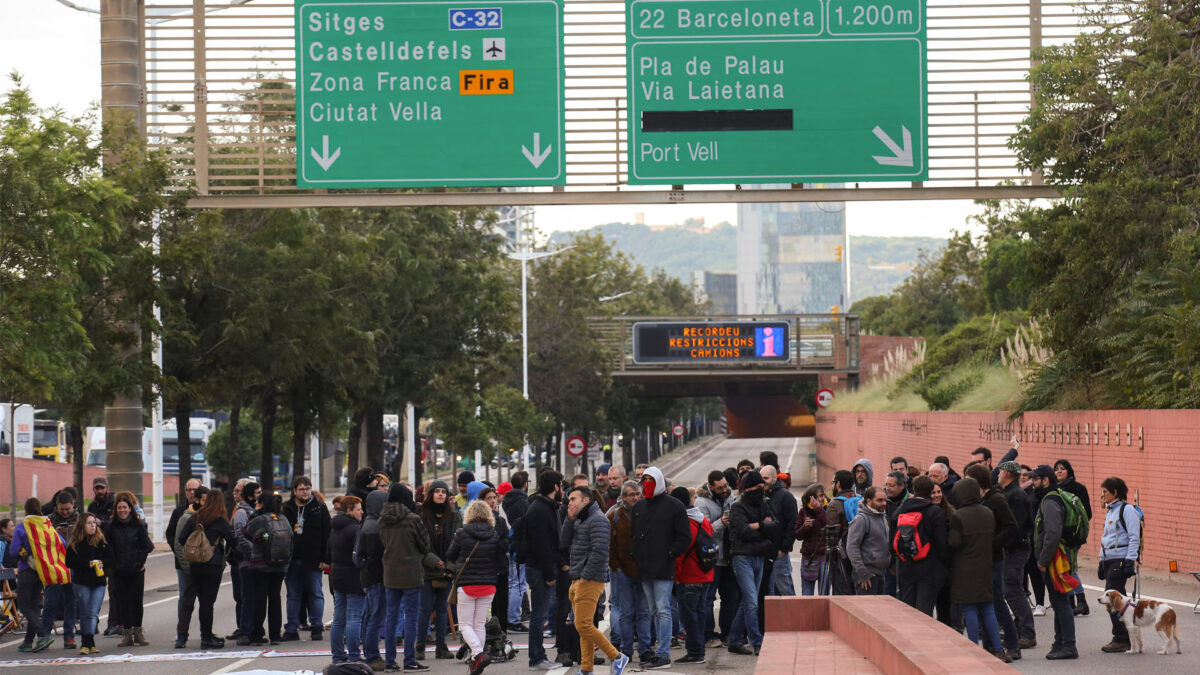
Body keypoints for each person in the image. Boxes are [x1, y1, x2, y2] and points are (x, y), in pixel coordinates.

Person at [631, 466, 690, 669]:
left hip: (664, 567)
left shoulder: (674, 506)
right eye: (644, 479)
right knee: (653, 610)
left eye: (650, 479)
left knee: (663, 609)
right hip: (645, 568)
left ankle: (664, 653)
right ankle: (657, 651)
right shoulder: (639, 507)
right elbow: (634, 536)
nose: (647, 482)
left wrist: (670, 554)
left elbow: (684, 537)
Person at [947, 478, 1009, 662]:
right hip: (985, 564)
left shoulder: (958, 516)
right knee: (988, 609)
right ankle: (998, 649)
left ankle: (973, 648)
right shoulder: (987, 512)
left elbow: (955, 542)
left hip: (964, 568)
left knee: (969, 609)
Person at [965, 464, 1020, 661]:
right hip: (984, 558)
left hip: (994, 558)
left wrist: (991, 544)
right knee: (986, 601)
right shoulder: (981, 499)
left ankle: (1013, 644)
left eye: (968, 478)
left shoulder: (996, 499)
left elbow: (1012, 527)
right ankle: (990, 644)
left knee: (996, 600)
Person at [445, 499, 506, 675]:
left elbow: (450, 554)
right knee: (479, 624)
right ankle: (475, 660)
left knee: (465, 625)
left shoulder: (462, 533)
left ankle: (478, 654)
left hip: (467, 585)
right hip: (488, 585)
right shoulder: (494, 534)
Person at [379, 483, 430, 672]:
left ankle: (390, 661)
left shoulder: (382, 519)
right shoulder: (413, 519)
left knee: (391, 618)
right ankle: (409, 660)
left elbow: (383, 542)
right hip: (411, 573)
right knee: (411, 618)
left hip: (390, 573)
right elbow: (425, 545)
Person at [517, 469, 564, 670]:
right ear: (555, 487)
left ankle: (539, 656)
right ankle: (537, 658)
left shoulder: (546, 506)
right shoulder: (539, 510)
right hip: (539, 570)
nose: (562, 489)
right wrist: (549, 574)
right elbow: (541, 545)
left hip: (542, 568)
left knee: (540, 613)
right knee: (539, 615)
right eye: (561, 485)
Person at [177, 489, 236, 649]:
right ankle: (206, 637)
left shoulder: (195, 517)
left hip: (196, 565)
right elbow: (233, 540)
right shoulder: (220, 520)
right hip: (212, 564)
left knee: (201, 600)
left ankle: (206, 635)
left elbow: (182, 539)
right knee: (207, 602)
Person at [726, 470, 776, 656]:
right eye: (757, 488)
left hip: (758, 557)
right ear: (748, 489)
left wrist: (758, 526)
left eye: (762, 487)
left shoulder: (764, 504)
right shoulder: (738, 507)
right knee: (752, 602)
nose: (760, 491)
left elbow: (774, 526)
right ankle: (757, 641)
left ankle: (734, 639)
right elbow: (743, 532)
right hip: (743, 557)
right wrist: (763, 527)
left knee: (748, 601)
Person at [1031, 465, 1078, 660]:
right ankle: (1060, 642)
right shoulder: (1052, 497)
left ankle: (1068, 645)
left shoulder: (1049, 501)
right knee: (1059, 601)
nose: (1032, 483)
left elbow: (1052, 533)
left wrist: (1043, 560)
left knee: (1060, 602)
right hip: (1058, 556)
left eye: (1035, 479)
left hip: (1055, 559)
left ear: (1046, 480)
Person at [282, 476, 332, 641]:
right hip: (292, 559)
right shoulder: (287, 508)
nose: (305, 492)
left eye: (308, 488)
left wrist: (326, 558)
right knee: (293, 595)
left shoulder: (319, 508)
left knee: (315, 594)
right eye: (302, 489)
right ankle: (291, 628)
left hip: (314, 559)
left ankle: (316, 626)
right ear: (295, 491)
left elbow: (328, 534)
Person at [12, 498, 63, 652]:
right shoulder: (47, 525)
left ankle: (42, 635)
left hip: (26, 570)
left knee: (24, 605)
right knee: (34, 606)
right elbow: (62, 543)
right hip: (41, 571)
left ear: (26, 510)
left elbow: (14, 550)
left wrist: (23, 552)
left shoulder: (22, 527)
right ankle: (27, 642)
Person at [608, 479, 651, 661]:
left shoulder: (647, 513)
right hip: (622, 571)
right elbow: (609, 544)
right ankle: (626, 650)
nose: (635, 498)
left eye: (637, 494)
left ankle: (645, 649)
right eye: (631, 495)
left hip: (643, 571)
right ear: (623, 497)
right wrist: (615, 566)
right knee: (626, 613)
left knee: (643, 612)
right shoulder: (614, 516)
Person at [418, 480, 462, 660]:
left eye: (444, 491)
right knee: (425, 608)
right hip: (427, 569)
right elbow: (418, 544)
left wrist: (450, 566)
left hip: (447, 570)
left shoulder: (454, 516)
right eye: (437, 491)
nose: (440, 494)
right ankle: (419, 646)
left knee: (443, 609)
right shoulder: (420, 515)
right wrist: (434, 561)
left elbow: (459, 543)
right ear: (431, 494)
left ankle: (441, 646)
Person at [893, 476, 949, 616]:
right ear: (930, 491)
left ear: (914, 489)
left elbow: (892, 539)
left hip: (905, 565)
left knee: (908, 611)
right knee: (924, 612)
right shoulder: (935, 512)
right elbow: (942, 543)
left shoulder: (901, 510)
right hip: (929, 567)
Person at [670, 486, 713, 664]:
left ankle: (695, 653)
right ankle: (699, 650)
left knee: (689, 616)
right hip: (706, 573)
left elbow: (680, 553)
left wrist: (675, 576)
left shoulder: (684, 522)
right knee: (700, 613)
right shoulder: (703, 520)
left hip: (689, 576)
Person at [995, 461, 1036, 649]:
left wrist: (1004, 545)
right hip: (1011, 548)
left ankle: (1027, 632)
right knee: (1009, 589)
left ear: (1008, 474)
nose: (998, 475)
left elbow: (1017, 527)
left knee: (1013, 589)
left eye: (1001, 471)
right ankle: (1019, 630)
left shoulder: (1016, 496)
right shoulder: (1008, 492)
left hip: (1016, 548)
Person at [104, 491, 153, 647]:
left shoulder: (138, 525)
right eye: (119, 508)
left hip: (136, 571)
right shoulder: (111, 527)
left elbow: (147, 546)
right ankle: (126, 634)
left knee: (136, 602)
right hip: (118, 571)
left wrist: (140, 562)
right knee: (123, 603)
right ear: (116, 510)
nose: (122, 510)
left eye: (125, 507)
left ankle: (138, 632)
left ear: (130, 508)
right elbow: (106, 548)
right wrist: (112, 565)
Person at [242, 492, 291, 646]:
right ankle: (275, 634)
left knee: (260, 599)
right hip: (281, 564)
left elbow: (246, 531)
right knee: (275, 598)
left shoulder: (259, 519)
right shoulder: (283, 518)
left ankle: (257, 634)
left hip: (261, 564)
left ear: (261, 503)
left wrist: (256, 512)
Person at [1098, 476, 1140, 654]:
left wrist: (1130, 559)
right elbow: (1106, 538)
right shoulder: (1110, 511)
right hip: (1109, 559)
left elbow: (1133, 536)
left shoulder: (1127, 510)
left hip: (1120, 559)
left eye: (1105, 492)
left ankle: (1121, 638)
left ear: (1115, 492)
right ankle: (1124, 636)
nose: (1102, 495)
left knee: (1114, 600)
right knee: (1114, 601)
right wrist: (1101, 559)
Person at [695, 470, 736, 642]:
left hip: (729, 556)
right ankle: (708, 634)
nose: (725, 489)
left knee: (730, 597)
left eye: (726, 485)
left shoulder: (730, 499)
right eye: (720, 488)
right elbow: (703, 531)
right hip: (712, 558)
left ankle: (727, 633)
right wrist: (721, 523)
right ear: (711, 487)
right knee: (708, 598)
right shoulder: (701, 503)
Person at [65, 513, 111, 655]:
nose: (93, 525)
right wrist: (87, 564)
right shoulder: (75, 543)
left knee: (92, 612)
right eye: (89, 523)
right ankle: (86, 643)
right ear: (82, 526)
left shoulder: (101, 541)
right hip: (82, 581)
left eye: (94, 523)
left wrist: (104, 563)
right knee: (85, 612)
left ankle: (89, 641)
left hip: (99, 582)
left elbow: (111, 558)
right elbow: (69, 562)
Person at [169, 482, 207, 649]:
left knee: (205, 602)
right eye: (189, 490)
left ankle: (206, 634)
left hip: (203, 565)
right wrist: (185, 561)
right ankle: (181, 634)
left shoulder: (208, 515)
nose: (191, 492)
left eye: (195, 489)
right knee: (185, 599)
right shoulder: (181, 514)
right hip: (186, 565)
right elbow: (174, 538)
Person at [329, 495, 366, 664]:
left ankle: (337, 655)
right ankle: (354, 655)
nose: (362, 512)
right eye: (359, 509)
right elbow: (358, 555)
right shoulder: (354, 529)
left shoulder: (335, 527)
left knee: (338, 619)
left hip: (337, 574)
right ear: (350, 510)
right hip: (353, 576)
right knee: (354, 618)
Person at [356, 490, 390, 670]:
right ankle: (372, 656)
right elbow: (377, 556)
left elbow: (358, 555)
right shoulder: (376, 526)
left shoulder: (366, 523)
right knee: (376, 618)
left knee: (370, 616)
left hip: (368, 577)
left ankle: (370, 654)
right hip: (377, 577)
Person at [1053, 459, 1091, 616]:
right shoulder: (1054, 489)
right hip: (1059, 535)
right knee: (1064, 569)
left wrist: (1074, 528)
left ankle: (1081, 601)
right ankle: (1072, 602)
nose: (1059, 471)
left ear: (1069, 471)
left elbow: (1087, 513)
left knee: (1069, 568)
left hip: (1072, 536)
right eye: (1056, 469)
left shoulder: (1078, 488)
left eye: (1062, 469)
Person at [44, 491, 79, 648]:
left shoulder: (80, 520)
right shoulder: (48, 521)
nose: (65, 512)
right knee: (50, 602)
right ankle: (44, 636)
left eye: (68, 509)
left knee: (70, 603)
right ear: (56, 507)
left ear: (73, 505)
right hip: (54, 567)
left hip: (72, 566)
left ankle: (69, 636)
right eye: (61, 509)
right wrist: (55, 535)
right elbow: (42, 544)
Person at [477, 486, 511, 632]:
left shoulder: (501, 521)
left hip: (501, 567)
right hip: (485, 569)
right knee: (486, 604)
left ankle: (502, 632)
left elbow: (506, 543)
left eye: (494, 497)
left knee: (502, 604)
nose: (492, 501)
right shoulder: (478, 522)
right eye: (489, 498)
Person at [231, 480, 261, 644]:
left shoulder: (257, 512)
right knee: (247, 597)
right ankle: (244, 631)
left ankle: (256, 631)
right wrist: (255, 552)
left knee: (256, 597)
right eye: (257, 493)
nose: (260, 496)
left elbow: (263, 535)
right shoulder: (242, 513)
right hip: (246, 561)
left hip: (258, 561)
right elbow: (240, 537)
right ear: (250, 496)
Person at [761, 466, 797, 596]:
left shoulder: (786, 497)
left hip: (779, 553)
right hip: (764, 553)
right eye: (761, 478)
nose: (763, 481)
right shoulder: (761, 495)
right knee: (769, 592)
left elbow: (792, 525)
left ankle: (792, 616)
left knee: (784, 589)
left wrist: (784, 549)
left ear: (775, 478)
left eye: (766, 478)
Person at [501, 470, 530, 632]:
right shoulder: (523, 503)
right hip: (518, 547)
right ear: (525, 484)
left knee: (513, 583)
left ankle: (511, 617)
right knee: (518, 584)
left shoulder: (506, 500)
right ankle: (513, 619)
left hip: (508, 544)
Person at [846, 486, 889, 595]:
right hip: (866, 577)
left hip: (880, 574)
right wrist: (863, 572)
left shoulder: (882, 517)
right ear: (869, 501)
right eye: (880, 500)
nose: (884, 503)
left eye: (885, 500)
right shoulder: (861, 519)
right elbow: (851, 547)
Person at [825, 470, 860, 595]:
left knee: (841, 591)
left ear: (838, 484)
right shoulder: (859, 499)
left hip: (841, 555)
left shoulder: (835, 505)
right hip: (859, 552)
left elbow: (832, 533)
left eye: (833, 482)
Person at [794, 483, 827, 597]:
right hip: (809, 558)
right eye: (820, 496)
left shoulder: (828, 509)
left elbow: (828, 523)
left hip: (824, 558)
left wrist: (819, 509)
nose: (822, 499)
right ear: (811, 498)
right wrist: (805, 527)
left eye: (823, 495)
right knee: (807, 596)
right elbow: (798, 535)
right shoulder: (804, 512)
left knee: (824, 595)